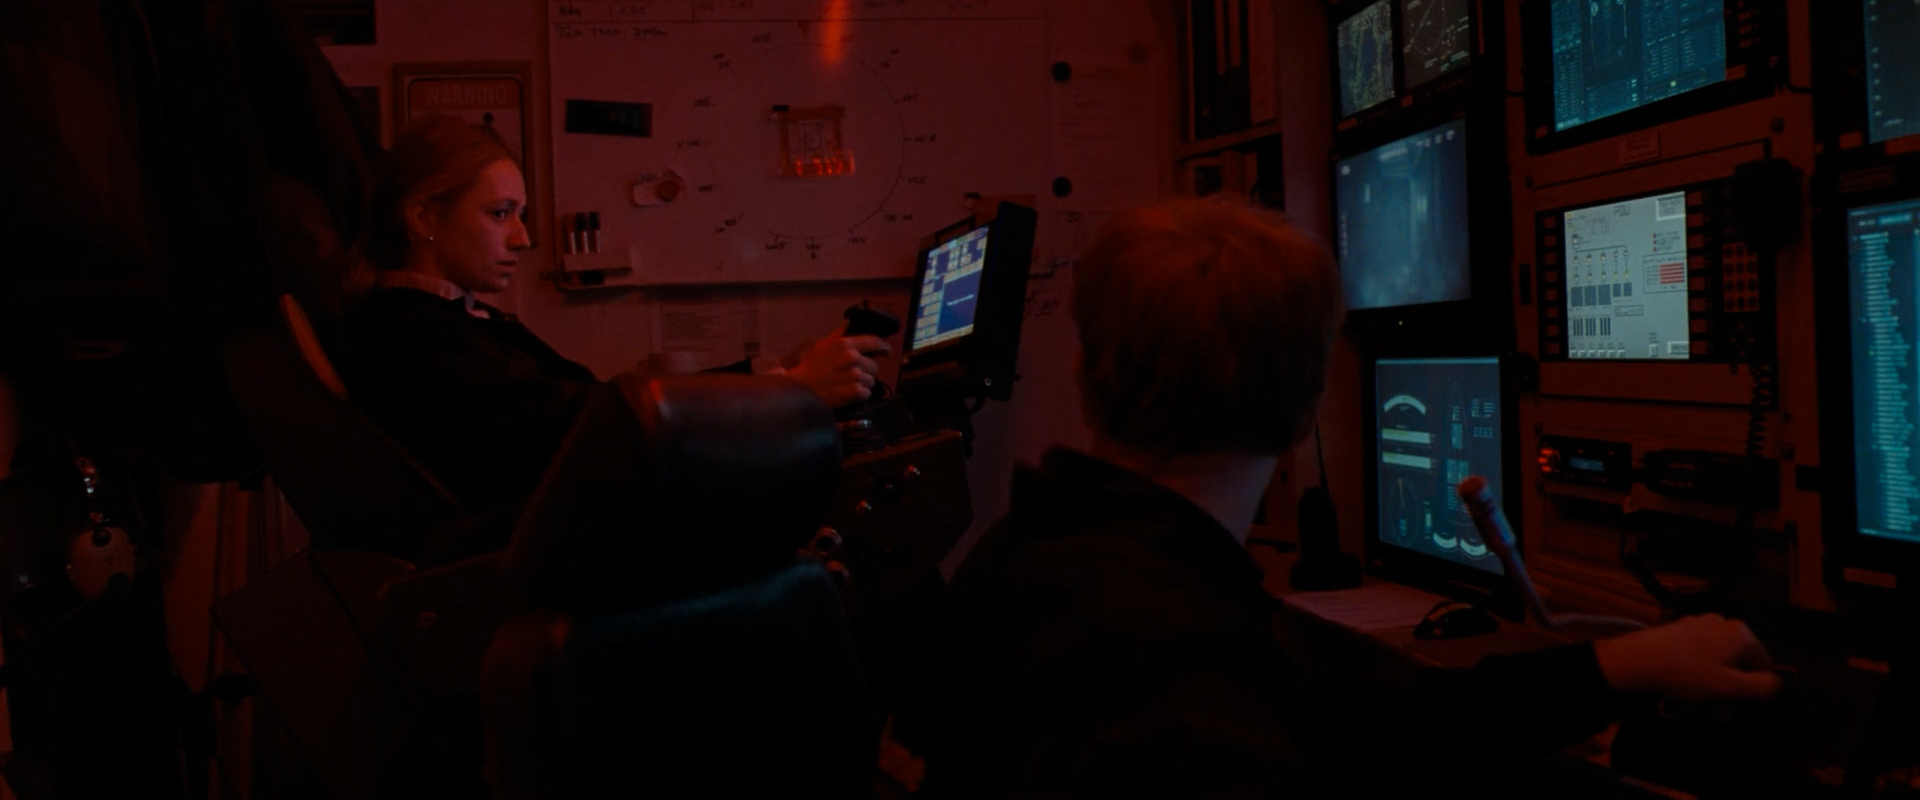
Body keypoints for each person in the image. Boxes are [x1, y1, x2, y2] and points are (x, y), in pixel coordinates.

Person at [889, 199, 1781, 798]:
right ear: (1307, 408)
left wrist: (1619, 667)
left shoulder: (1028, 558)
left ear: (1085, 378)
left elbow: (1371, 711)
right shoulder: (1185, 683)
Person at [340, 115, 886, 548]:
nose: (524, 239)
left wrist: (771, 373)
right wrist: (790, 390)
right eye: (500, 213)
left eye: (520, 214)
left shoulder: (453, 321)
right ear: (423, 217)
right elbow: (595, 428)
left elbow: (604, 406)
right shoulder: (411, 336)